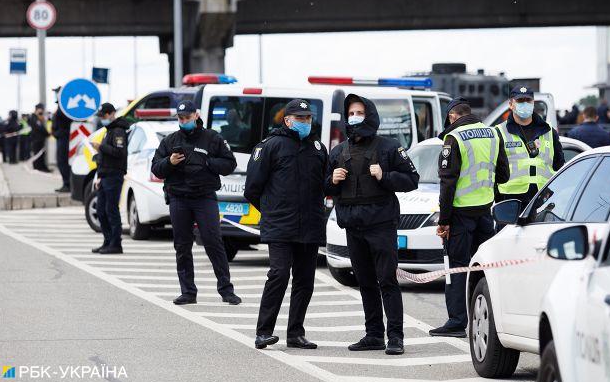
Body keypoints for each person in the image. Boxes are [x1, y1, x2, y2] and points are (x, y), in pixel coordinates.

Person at [325, 94, 419, 355]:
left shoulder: (389, 147)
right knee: (365, 282)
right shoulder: (337, 151)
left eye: (359, 112)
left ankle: (396, 337)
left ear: (370, 115)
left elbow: (412, 179)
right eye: (351, 113)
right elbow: (322, 187)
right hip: (353, 227)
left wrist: (385, 176)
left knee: (386, 281)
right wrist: (332, 180)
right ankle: (374, 335)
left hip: (381, 225)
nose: (354, 117)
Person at [245, 99, 328, 350]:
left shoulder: (318, 147)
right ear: (287, 120)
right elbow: (252, 189)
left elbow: (325, 184)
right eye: (299, 118)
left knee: (305, 280)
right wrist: (271, 212)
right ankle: (263, 331)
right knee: (279, 274)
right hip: (280, 225)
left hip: (310, 225)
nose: (305, 122)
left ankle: (296, 333)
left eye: (308, 118)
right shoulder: (270, 146)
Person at [429, 97, 510, 337]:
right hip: (485, 212)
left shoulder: (453, 138)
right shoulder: (493, 133)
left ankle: (456, 322)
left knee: (456, 269)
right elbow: (503, 175)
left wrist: (443, 221)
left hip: (460, 215)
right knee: (483, 269)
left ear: (452, 116)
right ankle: (487, 319)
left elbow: (447, 183)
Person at [151, 100, 241, 306]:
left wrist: (209, 162)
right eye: (180, 118)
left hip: (204, 198)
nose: (184, 121)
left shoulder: (212, 138)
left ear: (196, 115)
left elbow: (230, 163)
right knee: (182, 246)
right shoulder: (170, 141)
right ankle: (188, 292)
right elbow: (156, 168)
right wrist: (170, 162)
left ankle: (227, 291)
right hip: (179, 199)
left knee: (213, 242)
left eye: (187, 117)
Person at [495, 86, 565, 208]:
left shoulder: (549, 131)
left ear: (533, 103)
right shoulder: (499, 132)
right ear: (511, 104)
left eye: (528, 101)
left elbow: (559, 164)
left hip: (542, 200)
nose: (525, 104)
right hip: (510, 201)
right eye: (520, 101)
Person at [90, 103, 130, 254]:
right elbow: (106, 155)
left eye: (105, 115)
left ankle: (115, 244)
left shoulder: (118, 131)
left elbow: (119, 152)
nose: (103, 118)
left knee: (111, 210)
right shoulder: (109, 131)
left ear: (112, 114)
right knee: (101, 211)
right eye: (101, 116)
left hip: (114, 174)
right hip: (105, 175)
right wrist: (99, 175)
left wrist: (100, 147)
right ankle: (107, 241)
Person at [51, 87, 73, 192]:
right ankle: (67, 183)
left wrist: (57, 133)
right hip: (61, 137)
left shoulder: (65, 107)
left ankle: (67, 184)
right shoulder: (62, 106)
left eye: (56, 92)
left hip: (64, 138)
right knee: (61, 162)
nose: (55, 94)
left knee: (63, 162)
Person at [28, 103, 51, 172]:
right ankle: (38, 167)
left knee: (41, 154)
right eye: (42, 109)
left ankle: (41, 167)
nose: (43, 111)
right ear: (38, 109)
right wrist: (47, 133)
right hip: (37, 139)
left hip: (39, 139)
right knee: (38, 154)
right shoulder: (34, 117)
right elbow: (40, 128)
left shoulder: (37, 117)